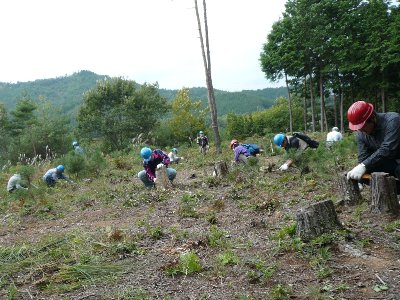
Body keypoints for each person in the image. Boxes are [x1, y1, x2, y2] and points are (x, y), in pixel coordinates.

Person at [346, 100, 400, 182]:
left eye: (363, 127)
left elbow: (388, 149)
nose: (361, 131)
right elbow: (363, 157)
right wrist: (359, 176)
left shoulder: (393, 120)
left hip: (395, 158)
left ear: (372, 118)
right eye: (358, 129)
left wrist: (364, 166)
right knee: (367, 172)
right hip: (391, 162)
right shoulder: (361, 133)